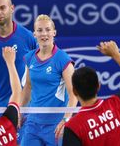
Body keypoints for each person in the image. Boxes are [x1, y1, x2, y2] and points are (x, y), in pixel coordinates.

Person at [62, 41, 120, 146]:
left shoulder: (73, 127)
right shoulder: (118, 105)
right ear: (99, 86)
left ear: (74, 91)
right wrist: (116, 54)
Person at [20, 14, 78, 146]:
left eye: (47, 29)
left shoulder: (63, 60)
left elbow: (73, 94)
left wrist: (66, 120)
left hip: (56, 125)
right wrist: (20, 112)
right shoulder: (30, 58)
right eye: (39, 30)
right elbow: (27, 88)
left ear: (54, 32)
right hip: (33, 124)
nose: (44, 34)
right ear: (34, 34)